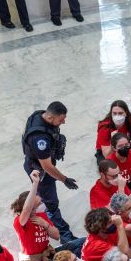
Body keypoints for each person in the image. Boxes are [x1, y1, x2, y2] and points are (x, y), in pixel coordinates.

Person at [22, 101, 77, 242]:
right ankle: (65, 236)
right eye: (61, 120)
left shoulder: (39, 114)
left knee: (46, 198)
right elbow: (47, 166)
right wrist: (64, 179)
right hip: (41, 171)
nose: (63, 122)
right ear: (51, 118)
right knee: (51, 203)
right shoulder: (40, 138)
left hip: (39, 164)